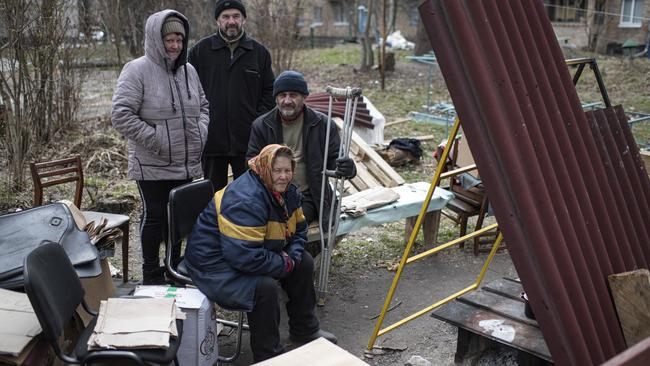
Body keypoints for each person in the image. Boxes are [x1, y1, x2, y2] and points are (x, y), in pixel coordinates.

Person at [184, 144, 337, 362]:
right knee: (263, 288)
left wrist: (291, 259)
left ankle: (305, 330)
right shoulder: (245, 199)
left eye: (288, 170)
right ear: (265, 169)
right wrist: (284, 263)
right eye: (277, 171)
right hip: (214, 262)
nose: (284, 176)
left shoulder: (287, 192)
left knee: (303, 262)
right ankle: (268, 355)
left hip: (252, 250)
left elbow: (299, 230)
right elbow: (244, 257)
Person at [111, 10, 209, 285]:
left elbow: (203, 106)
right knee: (155, 217)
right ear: (156, 39)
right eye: (169, 39)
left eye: (179, 39)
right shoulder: (137, 69)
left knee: (177, 219)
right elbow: (121, 114)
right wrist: (158, 139)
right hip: (152, 163)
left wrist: (200, 131)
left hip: (185, 161)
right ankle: (151, 273)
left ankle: (174, 269)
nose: (175, 45)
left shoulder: (189, 70)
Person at [247, 70, 357, 226]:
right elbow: (252, 163)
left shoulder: (323, 124)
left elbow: (334, 160)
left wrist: (348, 168)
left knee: (290, 224)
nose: (287, 100)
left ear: (304, 97)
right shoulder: (262, 125)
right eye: (282, 95)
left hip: (308, 195)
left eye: (293, 95)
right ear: (276, 98)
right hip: (272, 195)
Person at [189, 0, 275, 192]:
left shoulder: (259, 53)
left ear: (244, 19)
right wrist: (199, 123)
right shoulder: (200, 52)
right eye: (225, 17)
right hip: (211, 140)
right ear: (217, 21)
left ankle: (244, 223)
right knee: (212, 197)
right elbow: (187, 89)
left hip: (248, 142)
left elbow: (269, 91)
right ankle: (214, 223)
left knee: (247, 195)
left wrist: (257, 121)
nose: (231, 21)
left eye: (236, 16)